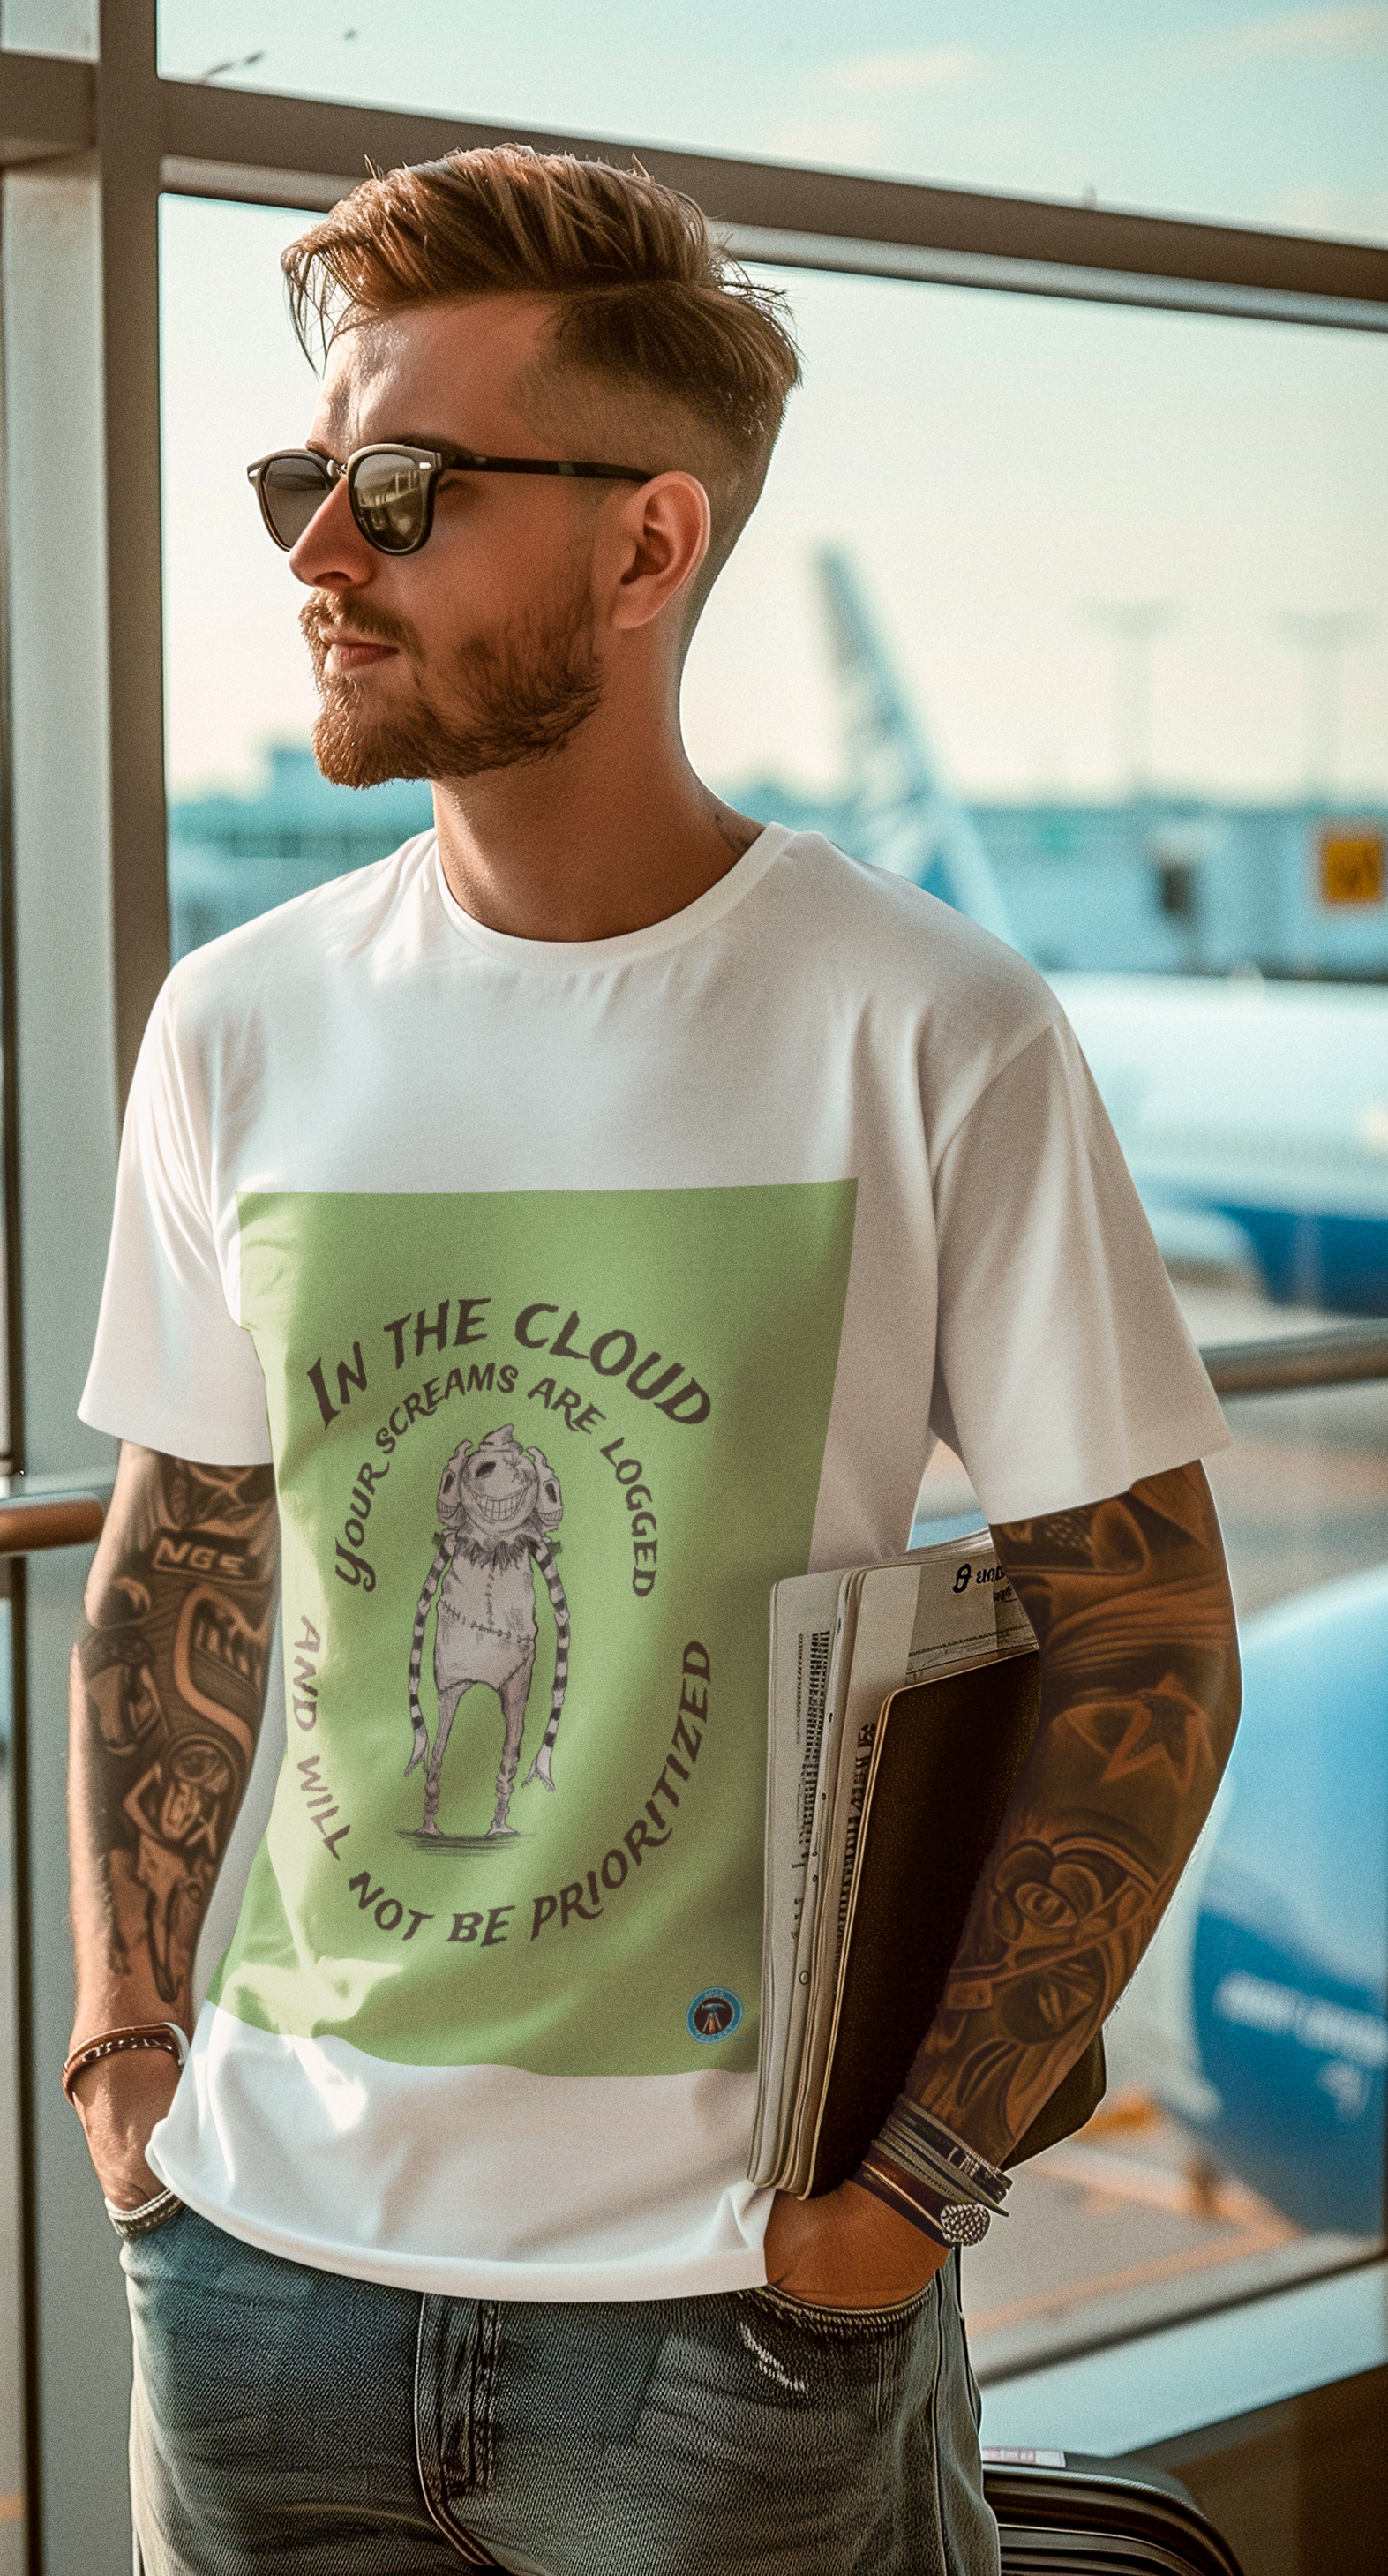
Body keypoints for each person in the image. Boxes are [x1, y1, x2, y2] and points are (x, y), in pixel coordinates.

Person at [67, 146, 1241, 2576]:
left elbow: (1144, 1626)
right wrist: (130, 2078)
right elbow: (177, 1556)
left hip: (722, 2317)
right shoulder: (240, 1025)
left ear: (645, 542)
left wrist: (901, 2199)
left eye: (398, 486)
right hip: (262, 2277)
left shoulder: (927, 1029)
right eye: (305, 477)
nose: (314, 549)